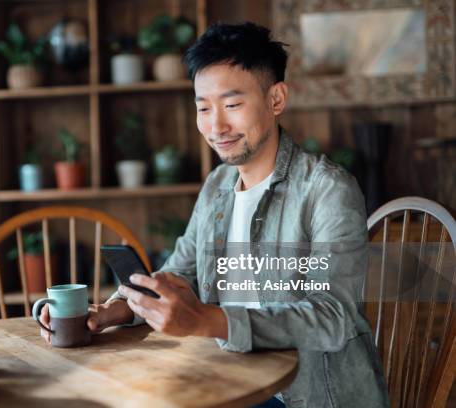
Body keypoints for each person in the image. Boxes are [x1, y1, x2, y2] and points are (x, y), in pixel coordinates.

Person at [41, 22, 389, 408]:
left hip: (310, 395)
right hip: (229, 377)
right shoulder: (218, 186)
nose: (216, 125)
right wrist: (118, 310)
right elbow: (180, 273)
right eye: (203, 107)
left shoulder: (327, 189)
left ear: (276, 99)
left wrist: (210, 321)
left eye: (233, 105)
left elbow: (332, 317)